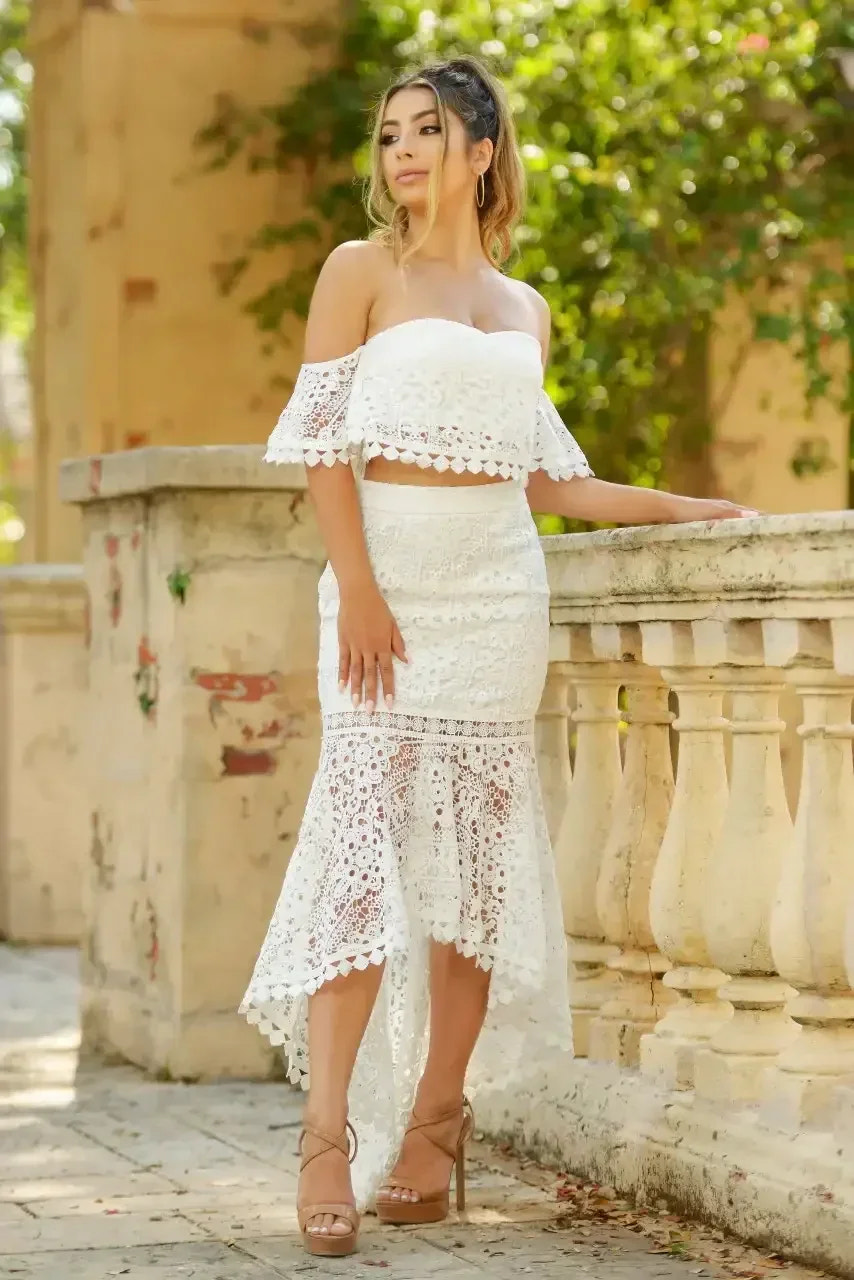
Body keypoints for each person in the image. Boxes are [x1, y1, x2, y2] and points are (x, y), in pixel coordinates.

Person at [239, 55, 757, 1258]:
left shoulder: (524, 308)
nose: (401, 151)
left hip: (495, 593)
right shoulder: (357, 273)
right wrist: (358, 587)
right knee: (361, 859)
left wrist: (679, 508)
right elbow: (322, 445)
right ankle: (326, 1137)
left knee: (473, 871)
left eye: (428, 129)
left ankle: (434, 1126)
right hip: (387, 589)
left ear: (483, 150)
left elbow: (548, 478)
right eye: (387, 135)